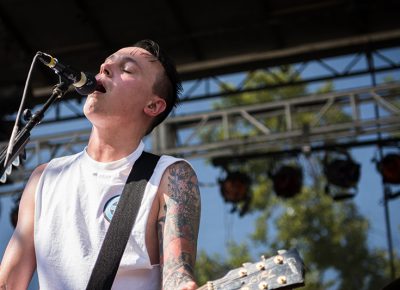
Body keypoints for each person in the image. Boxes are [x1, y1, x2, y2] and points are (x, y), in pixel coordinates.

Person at [0, 39, 201, 290]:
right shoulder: (45, 178)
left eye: (126, 69)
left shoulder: (168, 176)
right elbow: (8, 283)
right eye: (106, 63)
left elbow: (177, 277)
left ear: (153, 105)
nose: (105, 67)